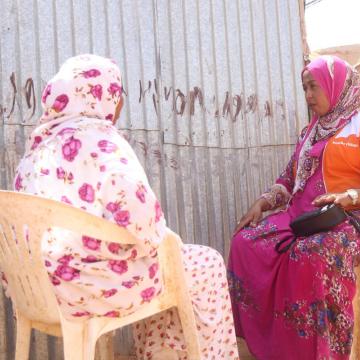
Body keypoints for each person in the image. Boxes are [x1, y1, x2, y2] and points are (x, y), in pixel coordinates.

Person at [13, 54, 238, 360]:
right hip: (93, 287)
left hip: (38, 289)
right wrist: (163, 241)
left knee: (168, 261)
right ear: (98, 94)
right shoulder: (101, 140)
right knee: (202, 262)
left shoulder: (35, 151)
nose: (119, 104)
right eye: (117, 94)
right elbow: (141, 217)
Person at [228, 55, 360, 360]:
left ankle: (325, 350)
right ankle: (277, 344)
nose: (308, 96)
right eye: (304, 88)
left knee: (313, 254)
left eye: (314, 86)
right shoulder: (310, 131)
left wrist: (352, 196)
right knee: (245, 242)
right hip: (311, 216)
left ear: (335, 86)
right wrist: (262, 203)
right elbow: (288, 179)